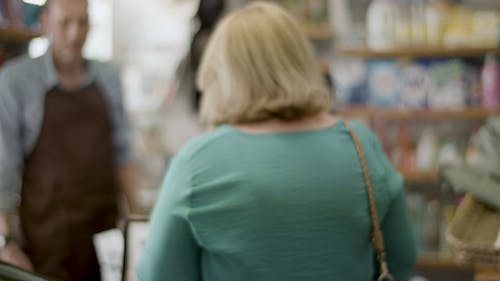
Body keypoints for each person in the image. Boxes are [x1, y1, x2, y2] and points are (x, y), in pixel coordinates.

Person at [136, 2, 417, 281]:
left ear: (220, 76)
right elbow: (402, 257)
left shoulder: (197, 163)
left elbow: (159, 274)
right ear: (302, 64)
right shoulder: (360, 143)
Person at [0, 0, 139, 280]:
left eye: (83, 22)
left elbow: (123, 155)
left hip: (103, 238)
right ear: (45, 21)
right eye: (65, 23)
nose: (75, 34)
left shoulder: (109, 77)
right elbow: (3, 174)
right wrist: (6, 244)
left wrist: (138, 227)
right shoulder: (16, 81)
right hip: (43, 242)